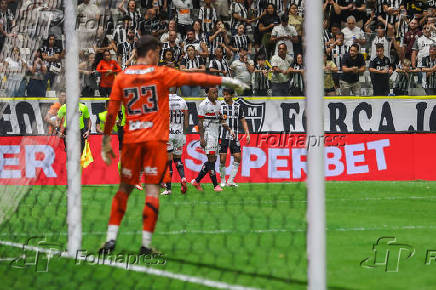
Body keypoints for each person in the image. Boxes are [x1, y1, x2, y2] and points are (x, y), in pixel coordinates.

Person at [99, 35, 247, 255]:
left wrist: (105, 140)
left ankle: (110, 240)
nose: (159, 56)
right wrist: (227, 81)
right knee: (152, 191)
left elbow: (111, 112)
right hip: (155, 142)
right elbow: (195, 79)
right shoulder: (160, 74)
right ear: (150, 52)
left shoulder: (122, 77)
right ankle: (146, 245)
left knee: (124, 190)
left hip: (132, 142)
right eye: (157, 52)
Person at [191, 87, 236, 192]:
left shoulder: (218, 104)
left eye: (217, 92)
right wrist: (201, 138)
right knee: (211, 159)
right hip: (208, 133)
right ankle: (216, 185)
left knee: (213, 160)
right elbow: (200, 122)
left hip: (216, 133)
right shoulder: (203, 105)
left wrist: (229, 130)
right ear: (207, 93)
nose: (216, 94)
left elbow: (221, 119)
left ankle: (196, 181)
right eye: (213, 92)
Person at [219, 88, 250, 187]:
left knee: (237, 157)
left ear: (232, 95)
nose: (225, 96)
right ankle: (223, 180)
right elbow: (220, 121)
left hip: (234, 136)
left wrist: (247, 133)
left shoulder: (237, 106)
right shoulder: (220, 106)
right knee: (222, 159)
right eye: (224, 94)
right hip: (223, 135)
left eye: (227, 94)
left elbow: (243, 120)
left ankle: (230, 181)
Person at [162, 92, 189, 195]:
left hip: (168, 133)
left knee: (168, 162)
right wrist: (184, 132)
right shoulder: (182, 101)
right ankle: (183, 177)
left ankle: (168, 189)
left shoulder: (164, 100)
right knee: (178, 160)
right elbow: (186, 119)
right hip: (179, 134)